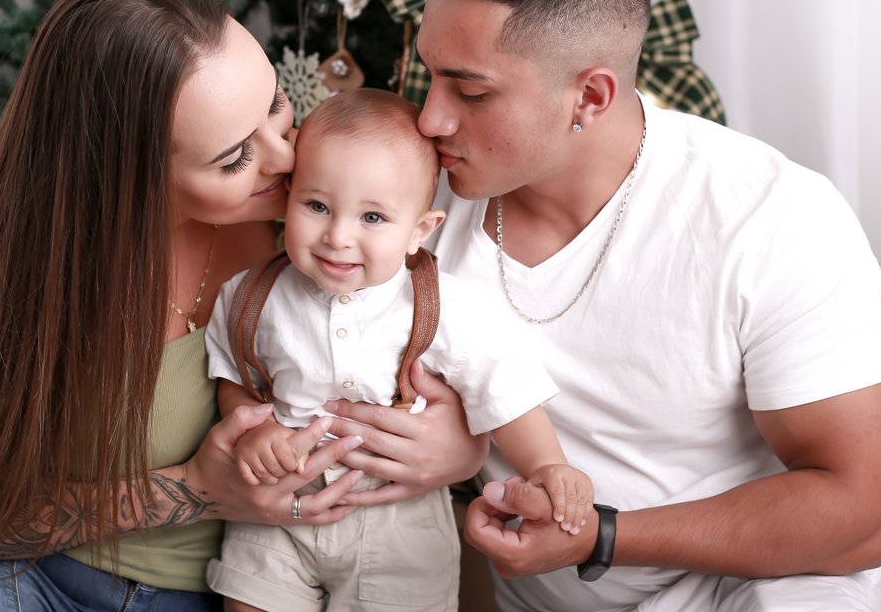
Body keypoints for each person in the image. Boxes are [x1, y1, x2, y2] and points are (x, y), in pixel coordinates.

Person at [0, 0, 486, 612]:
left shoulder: (331, 226)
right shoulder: (38, 276)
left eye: (275, 104)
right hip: (39, 580)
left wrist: (464, 452)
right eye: (234, 157)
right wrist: (194, 490)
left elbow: (465, 366)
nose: (284, 157)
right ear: (129, 173)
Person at [407, 0, 881, 612]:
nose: (430, 117)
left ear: (591, 96)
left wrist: (600, 538)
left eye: (470, 91)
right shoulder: (405, 207)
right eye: (428, 73)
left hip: (764, 586)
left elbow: (862, 516)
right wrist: (458, 455)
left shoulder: (771, 215)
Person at [200, 89, 593, 612]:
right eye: (317, 206)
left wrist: (547, 466)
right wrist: (256, 431)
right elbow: (234, 377)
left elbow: (507, 393)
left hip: (397, 513)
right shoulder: (252, 294)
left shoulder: (443, 305)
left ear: (418, 231)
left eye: (372, 218)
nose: (338, 236)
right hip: (279, 502)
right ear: (289, 197)